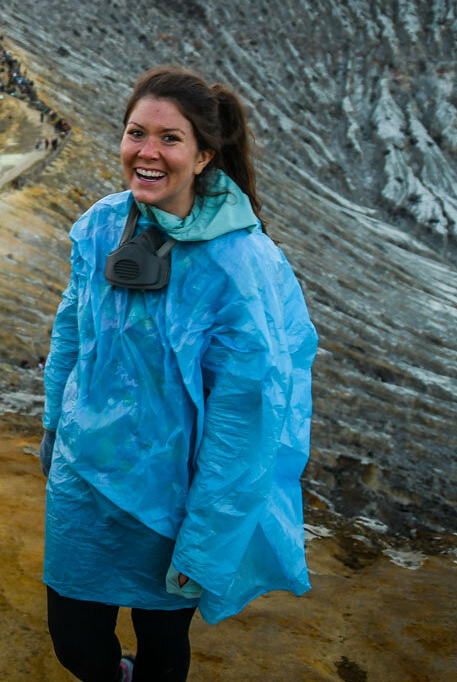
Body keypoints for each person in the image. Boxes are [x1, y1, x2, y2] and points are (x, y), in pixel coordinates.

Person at [41, 67, 317, 682]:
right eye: (136, 133)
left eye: (170, 139)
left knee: (163, 644)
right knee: (73, 640)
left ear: (204, 155)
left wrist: (207, 533)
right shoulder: (100, 227)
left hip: (175, 502)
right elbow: (70, 337)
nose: (147, 152)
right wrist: (54, 429)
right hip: (83, 482)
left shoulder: (238, 264)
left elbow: (246, 414)